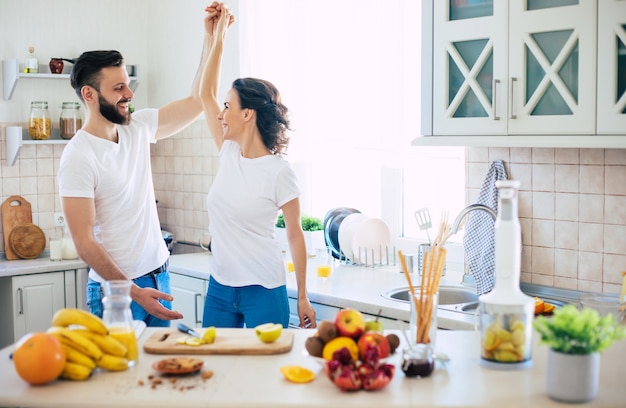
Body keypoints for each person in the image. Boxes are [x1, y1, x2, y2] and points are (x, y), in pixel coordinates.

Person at [57, 3, 225, 326]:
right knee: (119, 376)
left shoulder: (137, 127)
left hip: (159, 277)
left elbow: (197, 102)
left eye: (127, 83)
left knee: (159, 374)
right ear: (89, 95)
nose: (129, 93)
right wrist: (133, 291)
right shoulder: (79, 156)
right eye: (118, 88)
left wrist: (211, 38)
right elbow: (84, 242)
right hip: (118, 292)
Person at [199, 4, 317, 329]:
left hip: (264, 290)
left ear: (247, 114)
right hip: (220, 288)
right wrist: (217, 37)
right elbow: (205, 94)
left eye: (229, 106)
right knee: (218, 372)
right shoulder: (228, 152)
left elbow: (295, 236)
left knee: (265, 376)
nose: (221, 113)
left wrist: (303, 296)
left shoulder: (279, 172)